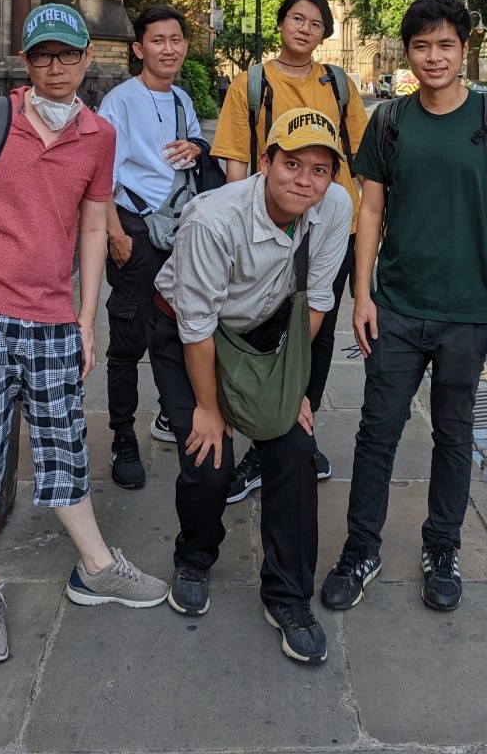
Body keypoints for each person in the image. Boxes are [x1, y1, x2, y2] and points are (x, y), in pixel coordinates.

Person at [0, 4, 168, 669]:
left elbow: (90, 230)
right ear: (25, 62)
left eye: (68, 55)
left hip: (52, 318)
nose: (57, 67)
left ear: (87, 59)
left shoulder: (98, 135)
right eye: (43, 56)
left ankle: (97, 567)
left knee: (64, 446)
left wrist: (85, 320)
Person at [321, 0, 487, 617]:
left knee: (453, 435)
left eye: (445, 45)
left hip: (469, 310)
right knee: (377, 433)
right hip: (398, 307)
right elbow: (372, 211)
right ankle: (361, 548)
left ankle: (442, 548)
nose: (433, 57)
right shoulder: (390, 122)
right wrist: (361, 294)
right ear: (408, 52)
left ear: (465, 48)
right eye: (422, 46)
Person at [147, 108, 352, 665]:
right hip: (187, 327)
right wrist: (213, 409)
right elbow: (195, 328)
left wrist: (292, 390)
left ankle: (287, 596)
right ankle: (194, 556)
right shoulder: (212, 219)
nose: (304, 181)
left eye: (319, 169)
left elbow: (315, 304)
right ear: (265, 163)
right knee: (209, 457)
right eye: (291, 165)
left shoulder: (334, 208)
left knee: (294, 451)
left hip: (264, 328)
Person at [211, 0, 367, 502]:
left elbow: (362, 159)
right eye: (296, 19)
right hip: (271, 230)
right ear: (281, 25)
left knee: (316, 334)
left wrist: (372, 224)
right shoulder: (250, 83)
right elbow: (236, 159)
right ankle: (262, 430)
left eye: (316, 23)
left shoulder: (339, 84)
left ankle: (300, 425)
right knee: (266, 329)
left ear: (325, 33)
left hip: (332, 230)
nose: (305, 28)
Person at [98, 4, 205, 490]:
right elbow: (101, 175)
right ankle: (123, 435)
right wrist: (114, 234)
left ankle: (173, 417)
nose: (170, 48)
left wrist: (195, 148)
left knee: (182, 329)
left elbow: (196, 147)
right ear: (139, 49)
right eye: (158, 40)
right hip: (135, 230)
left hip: (179, 230)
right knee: (127, 339)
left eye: (176, 39)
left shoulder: (182, 98)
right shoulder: (119, 101)